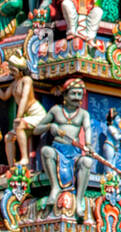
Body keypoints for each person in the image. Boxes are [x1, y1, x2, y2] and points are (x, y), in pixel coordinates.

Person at [35, 77, 96, 219]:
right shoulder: (56, 111)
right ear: (65, 95)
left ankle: (79, 201)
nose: (77, 98)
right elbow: (37, 129)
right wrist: (50, 126)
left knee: (86, 162)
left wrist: (88, 145)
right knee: (46, 151)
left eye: (80, 94)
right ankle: (55, 186)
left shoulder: (83, 114)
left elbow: (87, 129)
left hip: (73, 152)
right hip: (57, 149)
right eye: (73, 94)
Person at [0, 52, 47, 167]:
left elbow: (24, 98)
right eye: (11, 70)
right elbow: (4, 96)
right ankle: (11, 166)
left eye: (14, 70)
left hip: (37, 114)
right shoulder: (14, 84)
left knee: (19, 125)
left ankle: (25, 158)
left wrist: (18, 117)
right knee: (8, 137)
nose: (12, 73)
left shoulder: (26, 80)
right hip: (27, 116)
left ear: (20, 70)